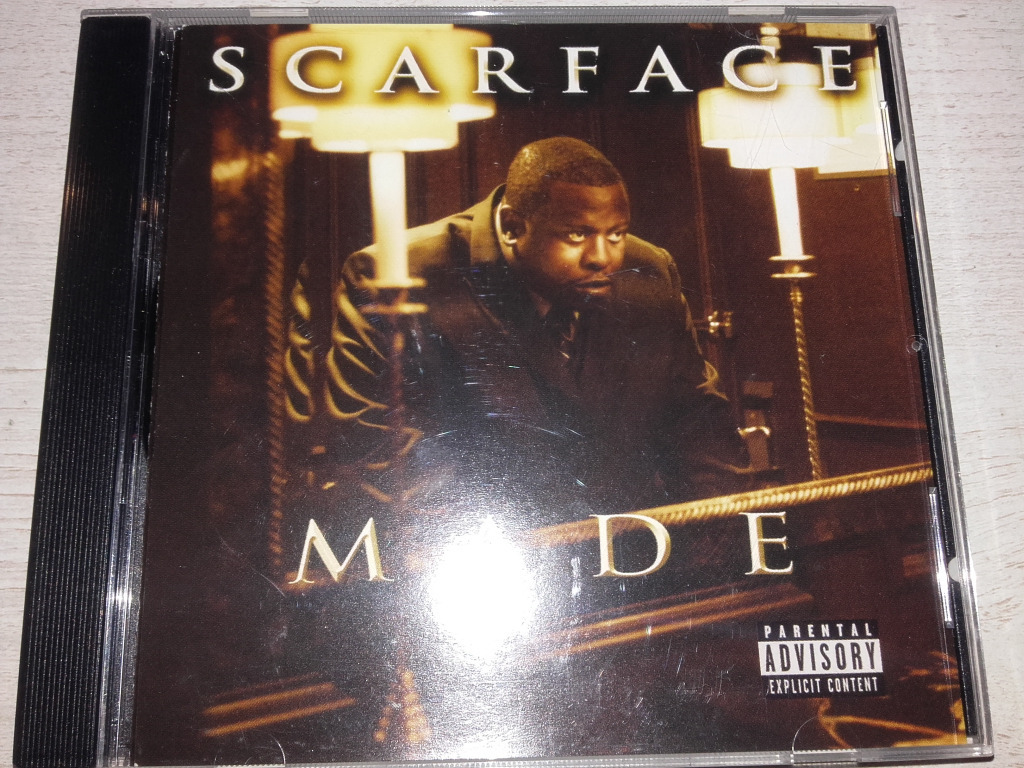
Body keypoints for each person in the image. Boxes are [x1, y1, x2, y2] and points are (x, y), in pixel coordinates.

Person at [286, 136, 745, 527]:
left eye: (616, 234)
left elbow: (700, 421)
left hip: (635, 552)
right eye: (576, 235)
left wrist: (721, 529)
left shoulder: (650, 270)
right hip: (483, 555)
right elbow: (377, 447)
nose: (602, 258)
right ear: (511, 226)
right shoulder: (396, 275)